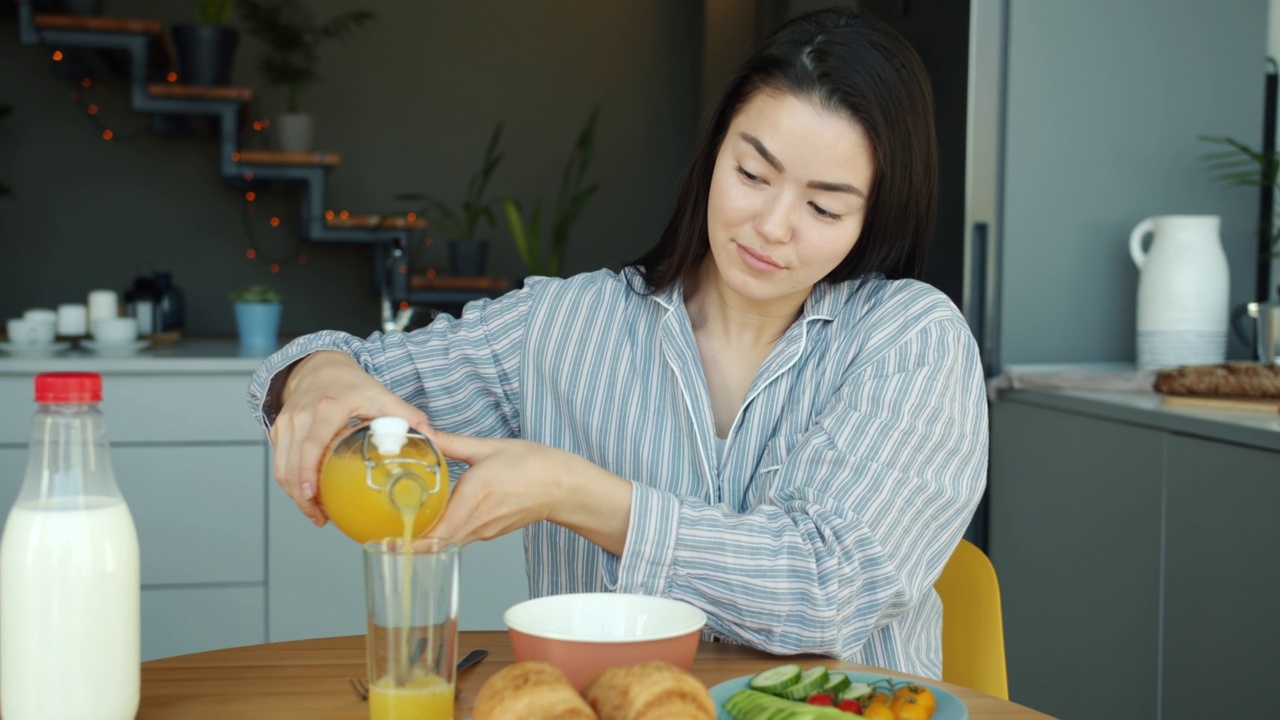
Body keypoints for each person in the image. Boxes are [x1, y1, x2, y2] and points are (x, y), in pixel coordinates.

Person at [248, 6, 987, 680]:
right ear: (713, 154)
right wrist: (315, 376)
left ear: (874, 217)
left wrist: (579, 494)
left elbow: (823, 592)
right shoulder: (568, 324)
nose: (772, 226)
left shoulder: (910, 343)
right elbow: (358, 375)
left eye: (824, 206)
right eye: (752, 173)